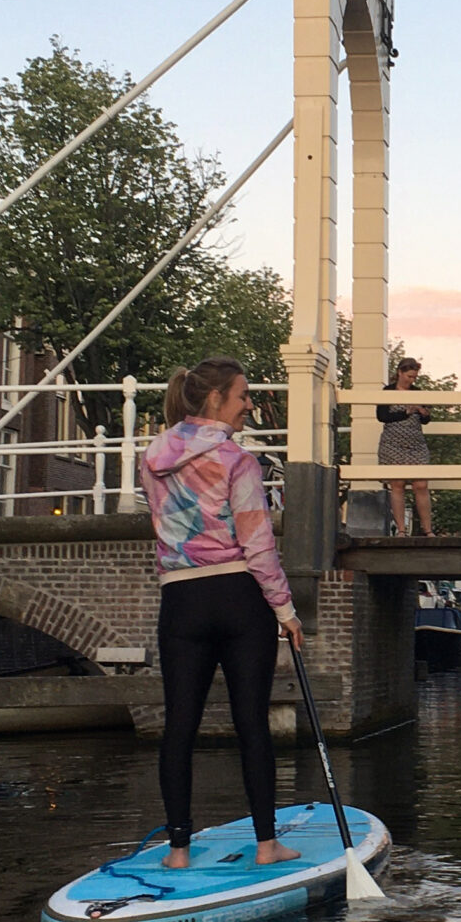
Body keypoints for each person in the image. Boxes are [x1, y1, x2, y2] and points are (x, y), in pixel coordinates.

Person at [141, 357, 301, 870]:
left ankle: (180, 850)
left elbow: (164, 527)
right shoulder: (239, 461)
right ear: (215, 400)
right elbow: (258, 545)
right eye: (243, 395)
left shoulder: (152, 456)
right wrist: (286, 611)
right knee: (251, 722)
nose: (249, 404)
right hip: (237, 598)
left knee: (179, 726)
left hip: (182, 601)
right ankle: (267, 844)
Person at [376, 356, 433, 537]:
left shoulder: (418, 392)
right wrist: (405, 412)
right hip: (393, 443)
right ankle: (401, 530)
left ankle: (427, 530)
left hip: (415, 443)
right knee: (397, 484)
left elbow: (426, 420)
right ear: (400, 373)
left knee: (421, 484)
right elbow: (382, 416)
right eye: (408, 376)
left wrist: (423, 412)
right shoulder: (387, 391)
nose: (411, 380)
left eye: (414, 377)